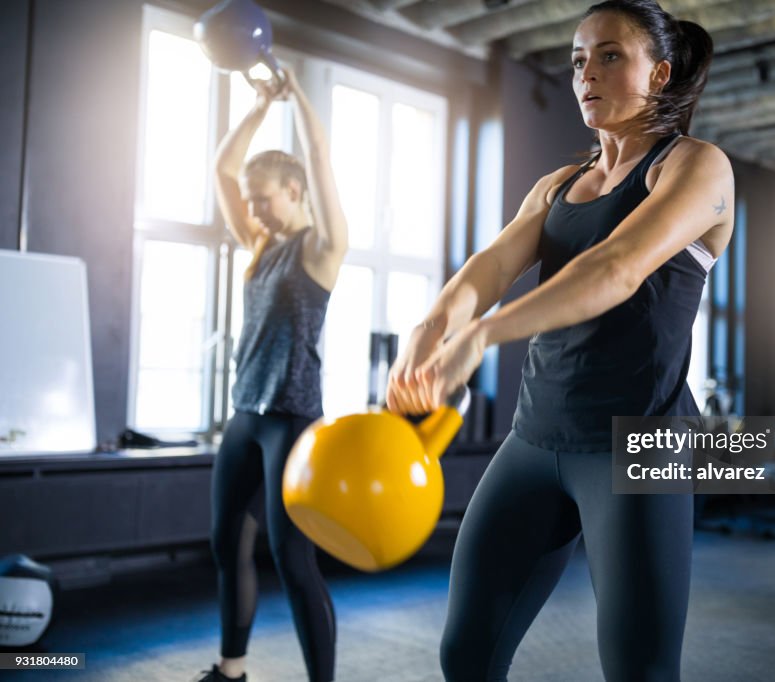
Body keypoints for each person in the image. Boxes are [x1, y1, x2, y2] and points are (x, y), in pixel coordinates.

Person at [386, 1, 732, 679]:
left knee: (639, 669)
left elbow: (616, 268)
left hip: (639, 447)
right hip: (536, 438)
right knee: (466, 654)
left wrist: (482, 336)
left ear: (659, 73)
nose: (586, 74)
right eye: (577, 60)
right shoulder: (559, 187)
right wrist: (428, 333)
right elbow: (485, 270)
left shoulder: (694, 167)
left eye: (609, 55)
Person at [197, 67, 348, 682]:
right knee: (225, 542)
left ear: (294, 189)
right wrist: (260, 105)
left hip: (291, 420)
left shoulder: (322, 247)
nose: (253, 208)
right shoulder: (260, 246)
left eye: (265, 198)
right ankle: (231, 671)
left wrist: (300, 97)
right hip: (245, 414)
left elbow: (319, 155)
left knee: (291, 557)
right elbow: (221, 170)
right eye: (252, 199)